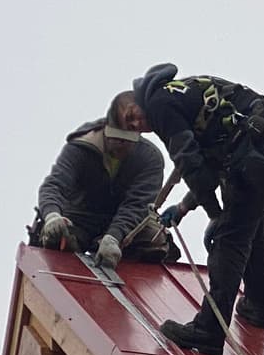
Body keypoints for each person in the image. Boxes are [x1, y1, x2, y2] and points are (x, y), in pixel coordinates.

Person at [131, 64, 264, 355]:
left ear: (141, 100)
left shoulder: (159, 103)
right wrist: (184, 207)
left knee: (230, 240)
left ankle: (208, 331)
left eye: (135, 117)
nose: (137, 124)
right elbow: (212, 165)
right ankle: (257, 307)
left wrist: (216, 214)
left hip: (257, 156)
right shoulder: (188, 94)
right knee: (253, 222)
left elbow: (191, 164)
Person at [30, 93, 174, 268]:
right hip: (79, 217)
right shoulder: (80, 148)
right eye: (116, 138)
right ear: (105, 130)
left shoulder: (150, 159)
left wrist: (114, 237)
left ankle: (119, 260)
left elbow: (137, 205)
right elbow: (55, 185)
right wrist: (52, 215)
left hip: (122, 222)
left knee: (154, 239)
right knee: (57, 235)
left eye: (126, 140)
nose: (120, 144)